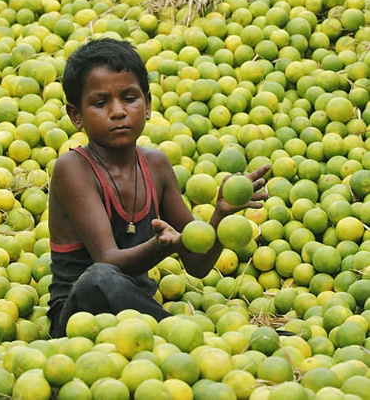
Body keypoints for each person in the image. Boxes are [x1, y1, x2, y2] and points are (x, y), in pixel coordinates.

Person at [47, 37, 269, 338]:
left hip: (139, 325)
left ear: (148, 105)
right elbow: (107, 262)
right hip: (80, 317)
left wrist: (220, 217)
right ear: (76, 115)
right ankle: (194, 339)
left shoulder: (156, 165)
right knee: (98, 279)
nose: (118, 112)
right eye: (101, 103)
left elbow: (197, 264)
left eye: (129, 98)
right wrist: (160, 246)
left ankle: (181, 337)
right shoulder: (73, 169)